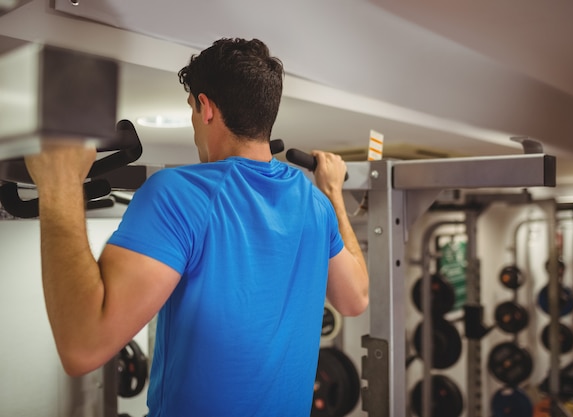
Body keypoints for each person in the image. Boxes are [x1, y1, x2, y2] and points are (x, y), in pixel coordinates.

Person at [25, 37, 369, 416]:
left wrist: (59, 185)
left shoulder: (179, 194)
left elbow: (82, 347)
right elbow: (355, 299)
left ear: (205, 108)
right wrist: (333, 192)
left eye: (191, 109)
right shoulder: (316, 206)